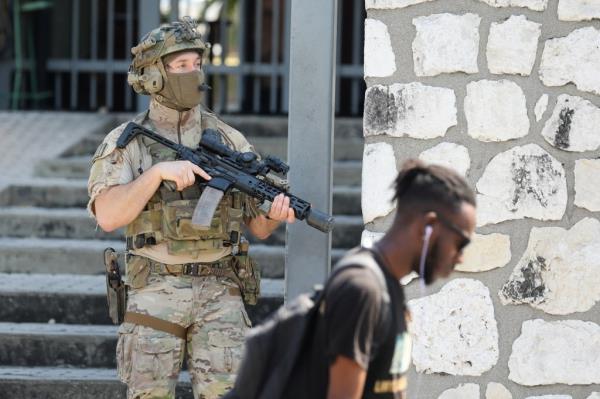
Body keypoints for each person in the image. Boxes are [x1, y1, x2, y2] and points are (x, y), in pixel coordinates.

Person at [87, 17, 295, 399]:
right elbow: (107, 215)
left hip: (221, 292)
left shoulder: (229, 139)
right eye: (180, 66)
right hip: (155, 289)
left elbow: (259, 227)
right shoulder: (127, 141)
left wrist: (274, 213)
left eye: (196, 65)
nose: (192, 73)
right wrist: (157, 174)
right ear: (153, 75)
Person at [282, 160, 477, 399]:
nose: (460, 258)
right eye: (461, 243)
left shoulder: (385, 286)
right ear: (429, 226)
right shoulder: (362, 290)